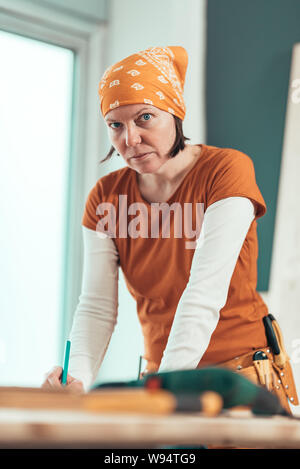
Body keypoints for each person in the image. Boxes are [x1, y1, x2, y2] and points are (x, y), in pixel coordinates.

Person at [42, 46, 298, 414]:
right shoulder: (106, 197)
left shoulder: (226, 170)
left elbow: (204, 293)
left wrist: (163, 390)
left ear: (175, 113)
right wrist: (75, 382)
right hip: (162, 381)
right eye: (116, 124)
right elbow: (97, 307)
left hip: (239, 381)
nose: (130, 139)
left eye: (145, 117)